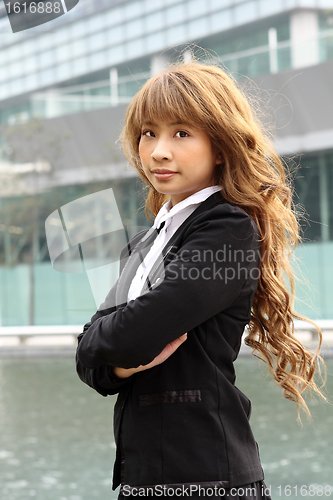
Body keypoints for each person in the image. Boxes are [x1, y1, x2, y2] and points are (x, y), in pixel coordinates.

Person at [76, 61, 325, 500]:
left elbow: (132, 331)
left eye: (182, 133)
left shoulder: (226, 228)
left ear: (222, 146)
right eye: (148, 133)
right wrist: (118, 362)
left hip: (209, 479)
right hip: (143, 479)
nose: (158, 151)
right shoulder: (144, 242)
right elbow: (89, 357)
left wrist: (113, 346)